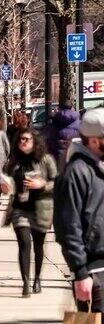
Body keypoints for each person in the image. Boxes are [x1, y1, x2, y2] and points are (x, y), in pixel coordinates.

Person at [53, 108, 104, 312]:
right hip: (95, 271)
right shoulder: (77, 172)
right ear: (93, 140)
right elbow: (68, 227)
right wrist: (81, 272)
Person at [2, 129, 57, 297]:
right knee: (24, 243)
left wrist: (42, 185)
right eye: (20, 140)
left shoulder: (46, 160)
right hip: (20, 208)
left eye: (26, 139)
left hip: (41, 209)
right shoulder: (14, 161)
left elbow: (57, 182)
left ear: (35, 142)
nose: (22, 142)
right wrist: (4, 186)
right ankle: (25, 281)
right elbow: (5, 178)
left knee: (38, 246)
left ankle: (37, 278)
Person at [45, 102, 81, 171]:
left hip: (56, 158)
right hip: (75, 157)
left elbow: (48, 140)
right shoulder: (79, 123)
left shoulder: (53, 123)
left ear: (59, 109)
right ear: (72, 108)